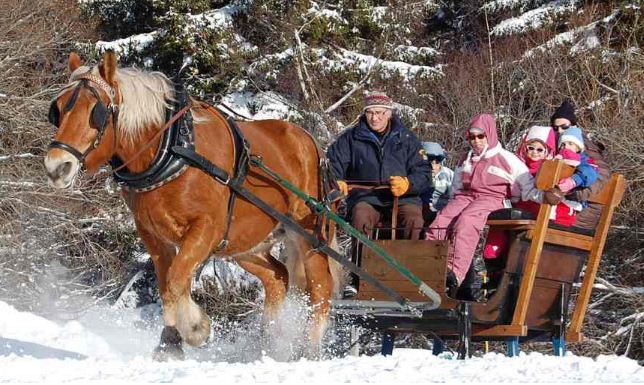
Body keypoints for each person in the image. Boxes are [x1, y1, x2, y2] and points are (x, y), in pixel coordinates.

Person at [425, 113, 548, 291]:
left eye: (481, 136)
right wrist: (454, 202)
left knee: (467, 221)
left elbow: (528, 187)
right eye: (472, 137)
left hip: (493, 197)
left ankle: (454, 272)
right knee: (441, 221)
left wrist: (545, 196)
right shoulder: (466, 159)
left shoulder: (507, 159)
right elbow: (457, 185)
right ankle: (428, 265)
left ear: (489, 134)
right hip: (465, 196)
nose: (476, 141)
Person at [327, 91, 431, 241]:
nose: (374, 118)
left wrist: (408, 184)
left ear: (389, 113)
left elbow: (424, 172)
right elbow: (332, 163)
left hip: (403, 198)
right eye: (369, 113)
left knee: (413, 220)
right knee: (360, 217)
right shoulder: (350, 139)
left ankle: (409, 263)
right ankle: (360, 262)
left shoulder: (408, 138)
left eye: (379, 112)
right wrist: (336, 181)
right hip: (366, 198)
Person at [549, 100, 610, 229]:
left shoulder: (580, 145)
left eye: (564, 127)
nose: (559, 130)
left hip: (583, 211)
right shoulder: (558, 145)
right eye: (555, 128)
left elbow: (602, 175)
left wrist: (571, 190)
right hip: (565, 204)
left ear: (574, 125)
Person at [420, 142, 454, 226]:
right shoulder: (418, 173)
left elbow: (455, 195)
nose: (433, 165)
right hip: (422, 208)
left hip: (442, 209)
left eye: (437, 161)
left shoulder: (448, 174)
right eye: (430, 160)